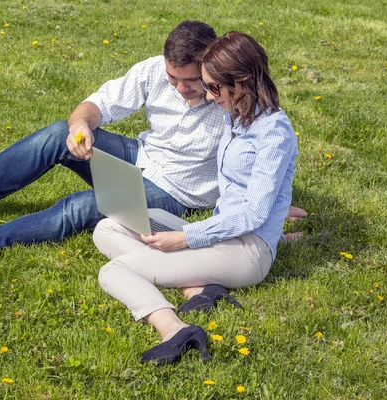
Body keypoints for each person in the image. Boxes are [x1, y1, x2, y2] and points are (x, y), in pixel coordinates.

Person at [0, 20, 306, 266]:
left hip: (176, 191)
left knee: (81, 208)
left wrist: (270, 206)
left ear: (212, 69)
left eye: (192, 81)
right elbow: (97, 104)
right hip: (141, 157)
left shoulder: (229, 99)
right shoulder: (154, 71)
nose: (182, 88)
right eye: (174, 79)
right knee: (55, 134)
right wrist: (80, 126)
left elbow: (260, 157)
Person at [93, 31, 298, 366]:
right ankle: (199, 290)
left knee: (113, 271)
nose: (208, 95)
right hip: (219, 234)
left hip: (246, 252)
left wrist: (185, 238)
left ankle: (174, 329)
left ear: (242, 81)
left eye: (214, 87)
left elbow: (253, 213)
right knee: (108, 227)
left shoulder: (273, 133)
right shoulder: (238, 117)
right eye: (206, 85)